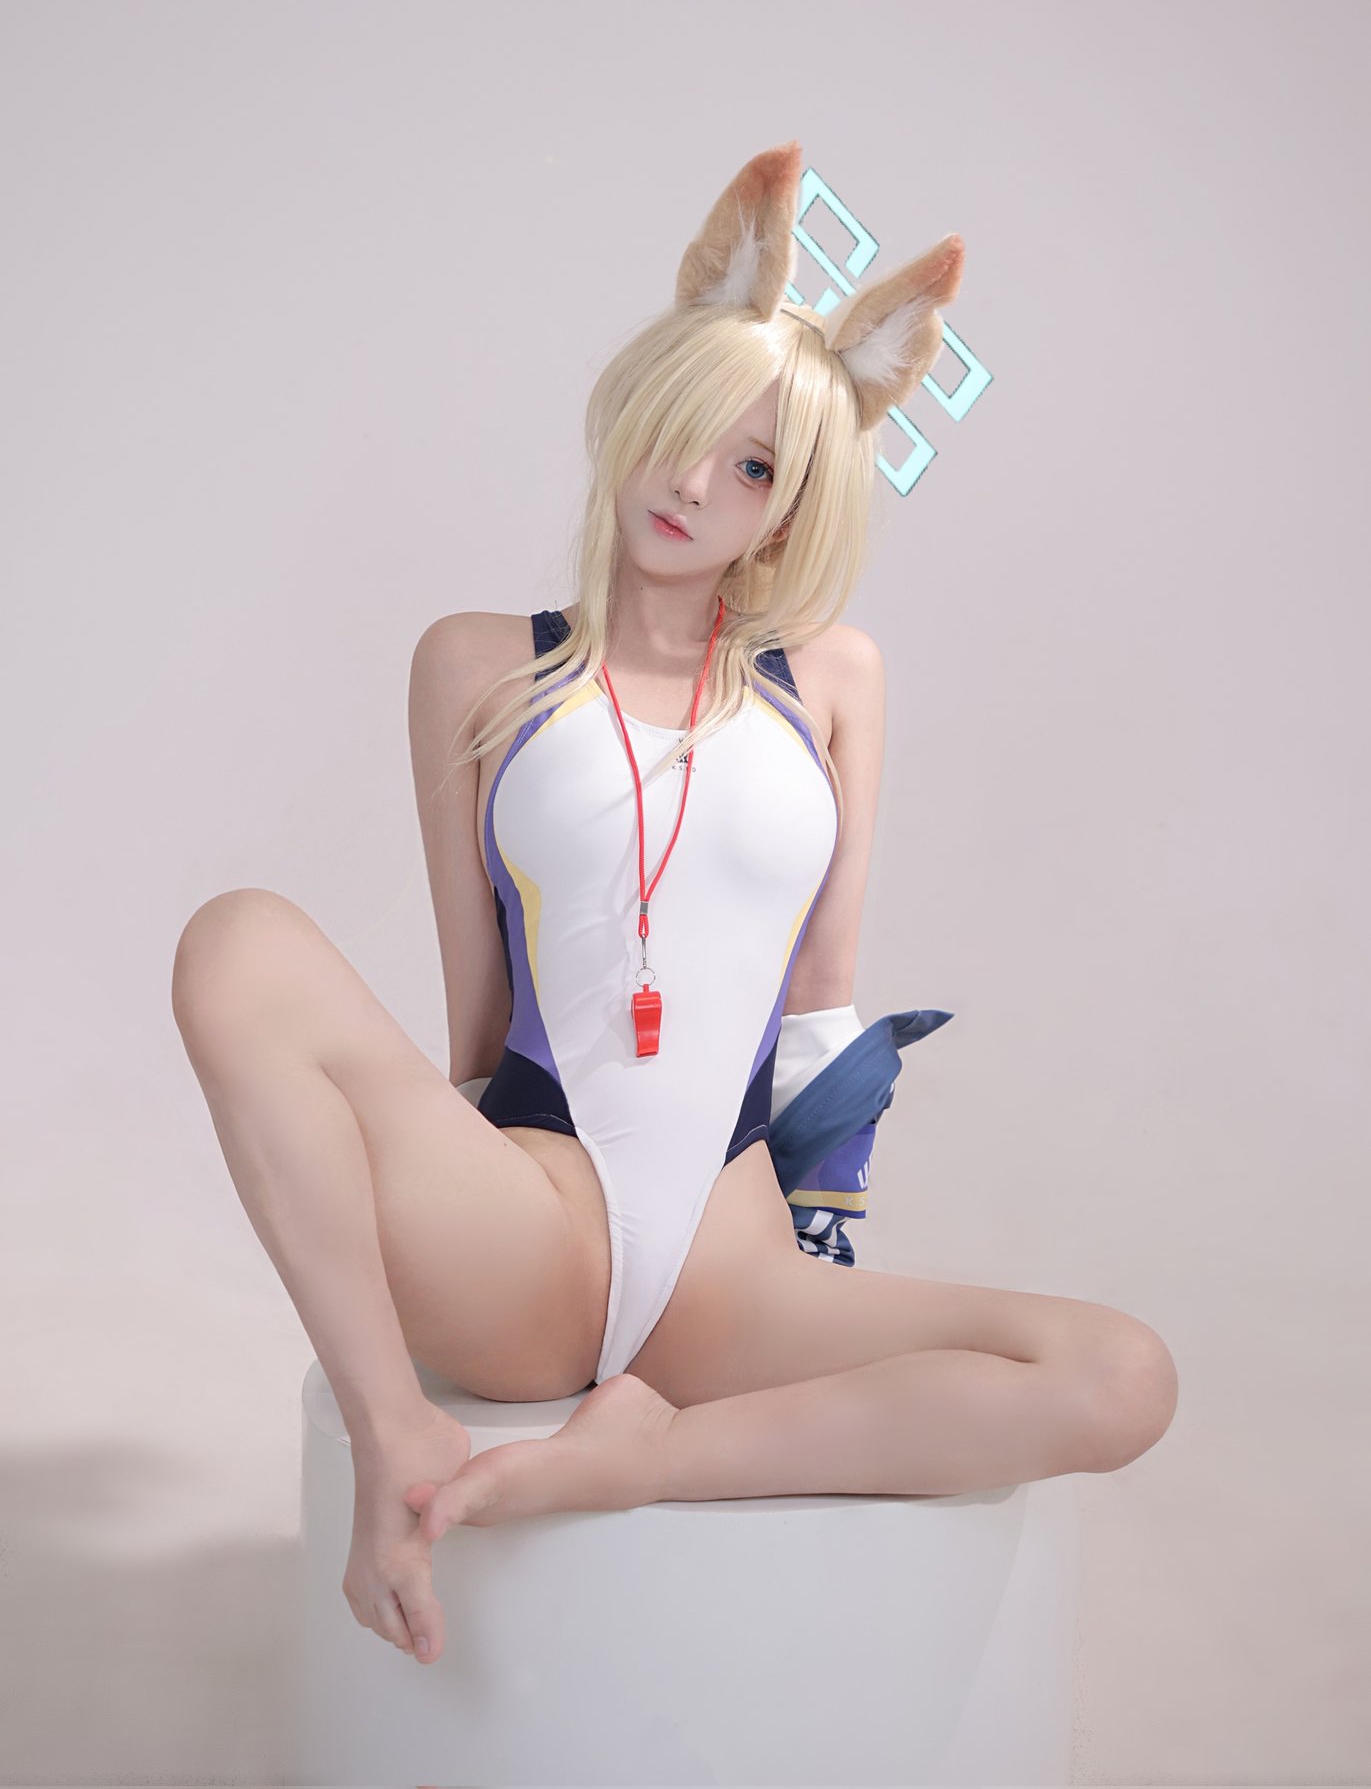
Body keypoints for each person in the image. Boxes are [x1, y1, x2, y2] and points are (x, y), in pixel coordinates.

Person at [170, 139, 1178, 1670]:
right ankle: (391, 1433)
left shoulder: (836, 680)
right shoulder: (475, 662)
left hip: (733, 1265)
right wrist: (429, 1204)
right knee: (237, 939)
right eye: (689, 432)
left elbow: (823, 1002)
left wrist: (828, 1237)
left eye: (755, 467)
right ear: (636, 411)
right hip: (530, 1232)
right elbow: (478, 1013)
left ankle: (648, 1457)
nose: (698, 482)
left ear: (792, 506)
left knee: (1121, 1377)